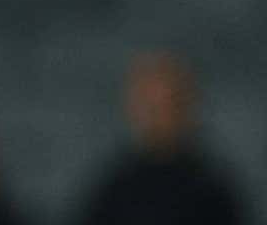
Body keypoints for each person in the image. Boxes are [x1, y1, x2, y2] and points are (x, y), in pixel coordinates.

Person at [75, 52, 245, 225]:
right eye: (150, 106)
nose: (158, 117)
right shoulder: (112, 191)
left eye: (168, 104)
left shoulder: (211, 192)